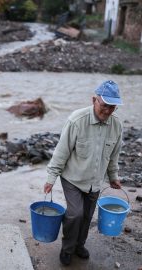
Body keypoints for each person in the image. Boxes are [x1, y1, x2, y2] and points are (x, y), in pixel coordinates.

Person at [44, 80, 123, 266]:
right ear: (94, 100)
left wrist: (113, 177)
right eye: (105, 105)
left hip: (95, 181)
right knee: (75, 214)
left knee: (87, 216)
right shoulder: (76, 120)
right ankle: (67, 249)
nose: (108, 111)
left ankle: (80, 245)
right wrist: (51, 178)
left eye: (113, 107)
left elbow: (114, 155)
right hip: (72, 178)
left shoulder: (117, 125)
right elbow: (61, 152)